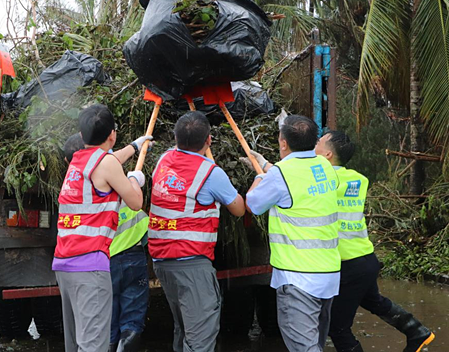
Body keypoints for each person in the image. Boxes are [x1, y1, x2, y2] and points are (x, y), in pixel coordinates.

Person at [315, 131, 435, 352]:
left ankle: (417, 331)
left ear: (327, 155)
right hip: (366, 259)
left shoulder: (325, 181)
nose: (314, 145)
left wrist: (264, 166)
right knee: (374, 302)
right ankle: (417, 331)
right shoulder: (358, 179)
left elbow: (295, 183)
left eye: (318, 143)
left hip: (349, 263)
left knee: (337, 327)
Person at [148, 111, 246, 352]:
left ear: (175, 138)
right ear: (209, 140)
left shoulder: (163, 161)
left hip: (162, 262)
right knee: (200, 337)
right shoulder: (211, 173)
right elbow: (239, 209)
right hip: (191, 264)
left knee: (184, 331)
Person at [54, 104, 147, 352]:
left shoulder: (76, 162)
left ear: (82, 136)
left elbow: (109, 161)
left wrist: (136, 147)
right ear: (112, 135)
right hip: (90, 266)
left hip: (64, 264)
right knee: (94, 345)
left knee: (75, 343)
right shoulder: (106, 164)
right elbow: (136, 202)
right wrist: (133, 179)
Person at [243, 115, 340, 352]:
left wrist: (260, 176)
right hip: (327, 276)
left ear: (283, 143)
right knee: (315, 343)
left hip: (298, 279)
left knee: (303, 348)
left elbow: (253, 204)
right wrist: (267, 165)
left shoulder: (280, 174)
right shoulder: (324, 166)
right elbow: (298, 180)